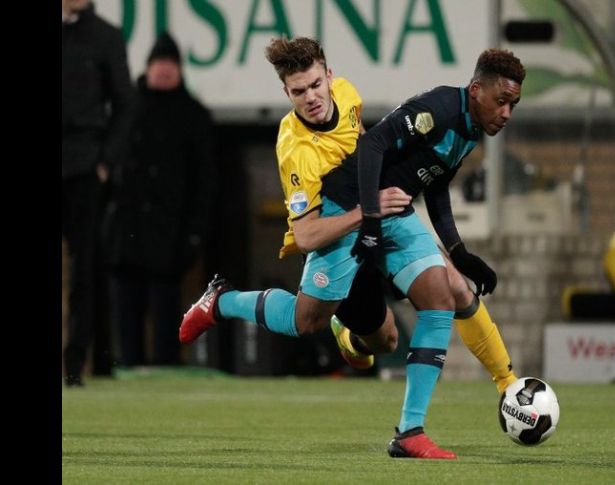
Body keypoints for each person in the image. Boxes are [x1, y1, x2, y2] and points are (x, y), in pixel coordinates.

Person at [180, 40, 525, 459]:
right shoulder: (295, 151)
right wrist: (367, 214)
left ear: (329, 76)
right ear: (286, 94)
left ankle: (411, 431)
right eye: (298, 91)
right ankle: (222, 301)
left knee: (440, 295)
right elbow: (307, 235)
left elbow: (388, 155)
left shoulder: (347, 94)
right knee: (308, 321)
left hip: (384, 205)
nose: (311, 97)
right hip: (340, 214)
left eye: (315, 85)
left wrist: (456, 249)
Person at [104, 32, 217, 367]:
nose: (164, 70)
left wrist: (194, 234)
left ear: (180, 70)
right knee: (126, 311)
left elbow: (205, 183)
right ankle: (127, 367)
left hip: (170, 236)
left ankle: (165, 369)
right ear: (148, 67)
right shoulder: (126, 110)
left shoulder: (194, 116)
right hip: (125, 234)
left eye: (170, 64)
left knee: (167, 313)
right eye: (159, 63)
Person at [62, 0, 133, 386]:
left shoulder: (105, 36)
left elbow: (124, 104)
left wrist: (105, 162)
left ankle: (76, 364)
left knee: (84, 269)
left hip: (84, 168)